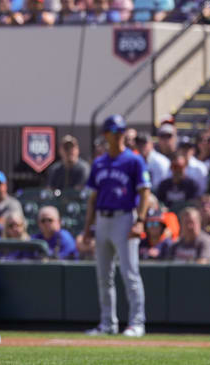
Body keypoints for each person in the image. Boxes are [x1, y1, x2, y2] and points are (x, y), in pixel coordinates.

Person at [82, 114, 151, 338]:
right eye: (115, 131)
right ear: (106, 135)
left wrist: (140, 221)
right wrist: (87, 229)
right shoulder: (99, 162)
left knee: (130, 273)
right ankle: (107, 324)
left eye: (121, 131)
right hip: (102, 218)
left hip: (125, 218)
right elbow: (92, 199)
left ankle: (137, 323)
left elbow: (145, 193)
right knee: (104, 275)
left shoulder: (134, 160)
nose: (119, 135)